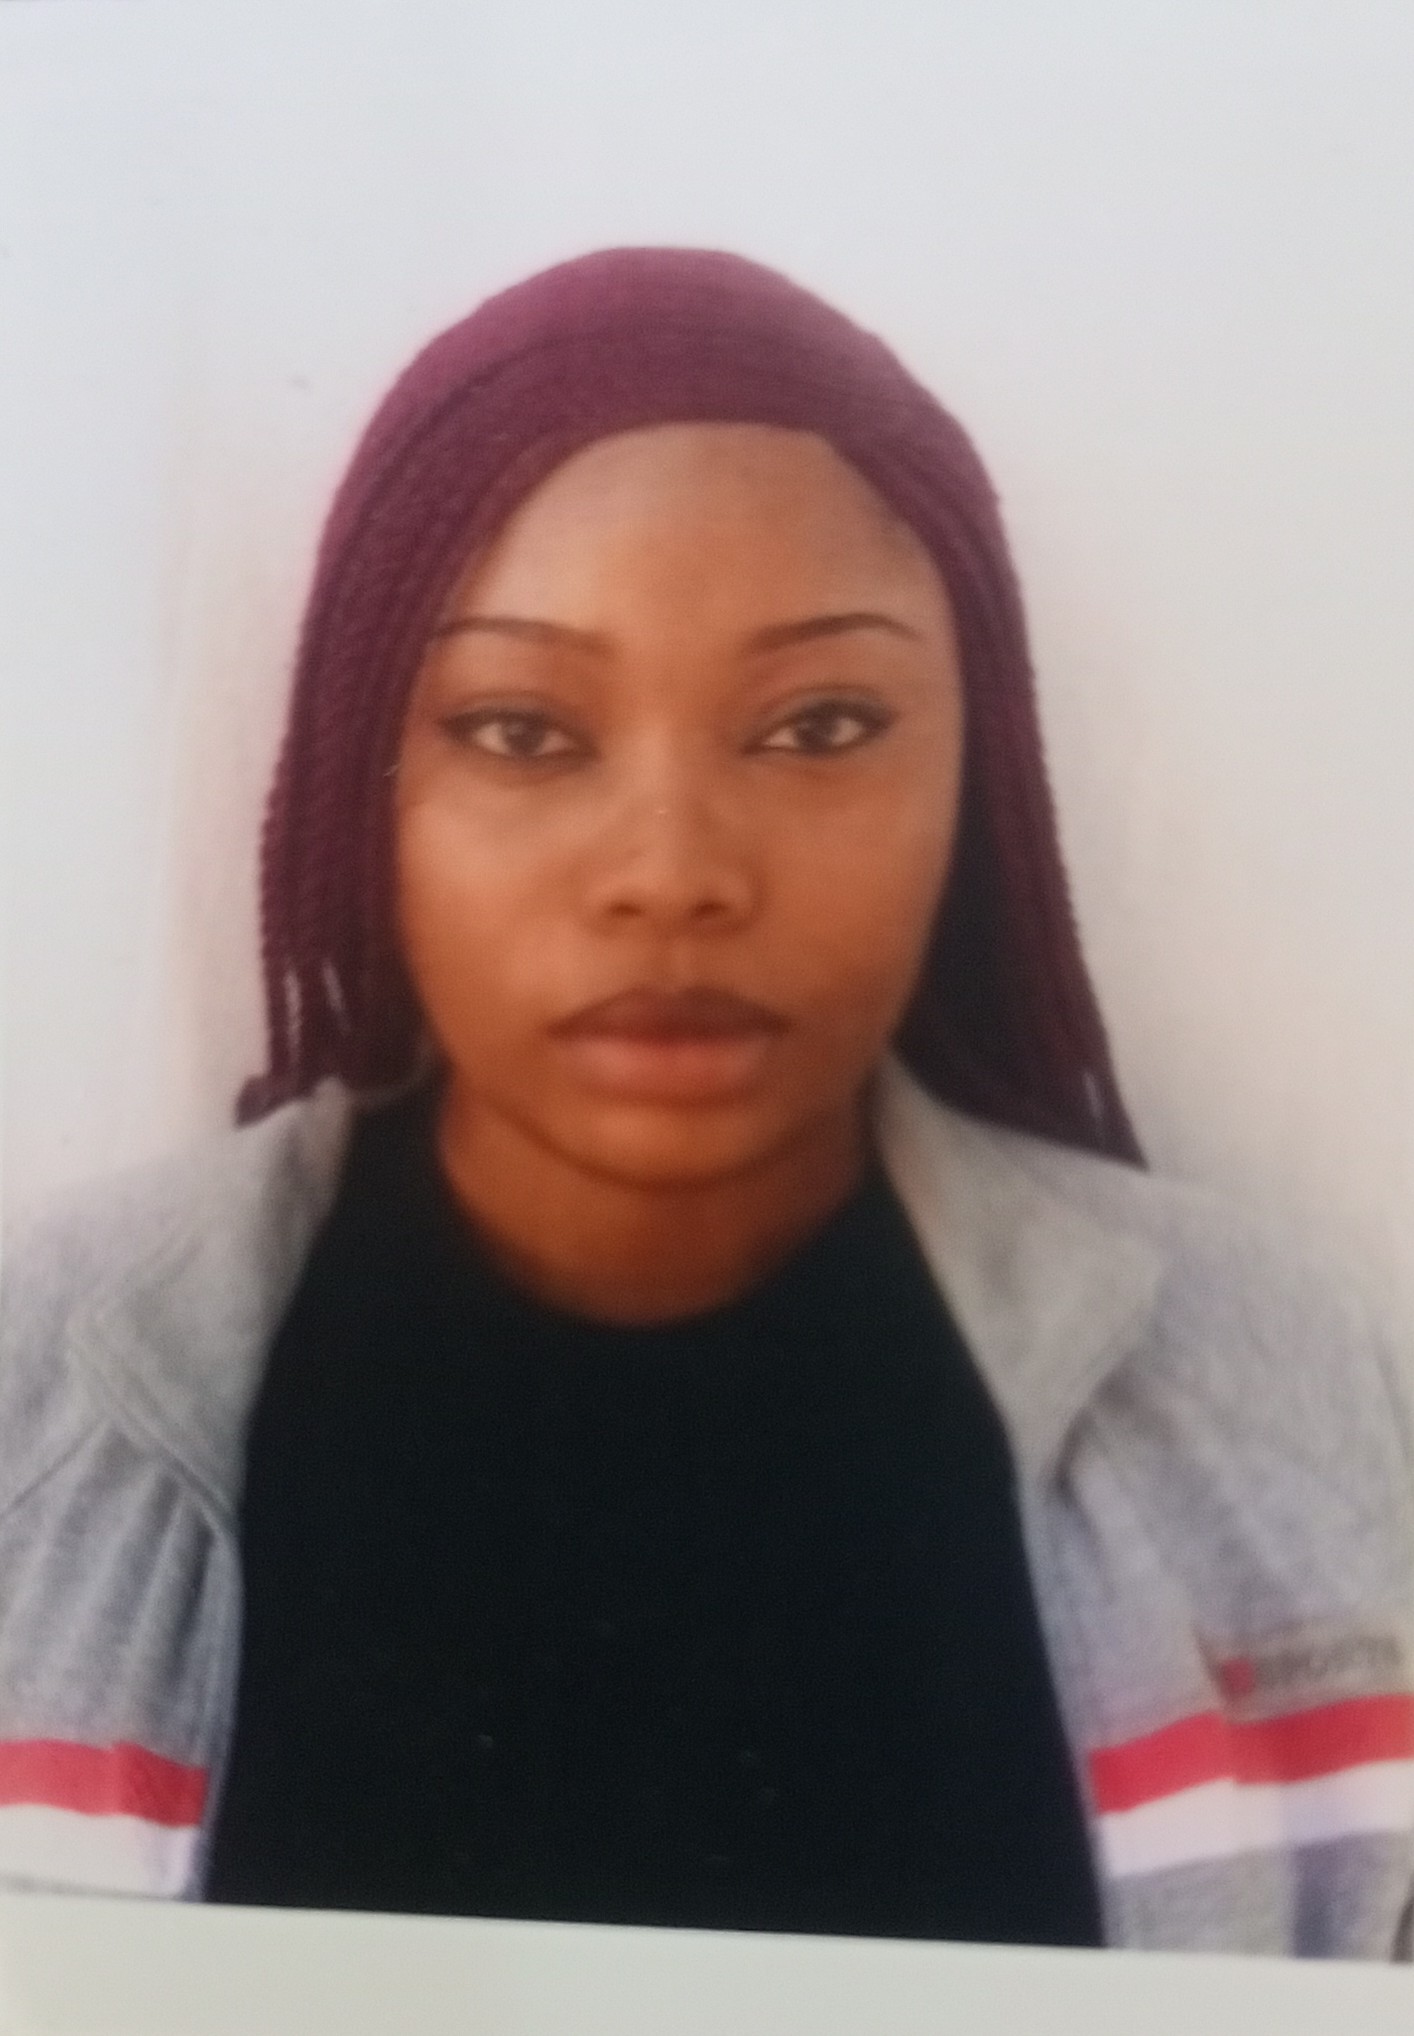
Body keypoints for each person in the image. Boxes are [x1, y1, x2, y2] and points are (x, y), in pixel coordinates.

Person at [1, 248, 1411, 1957]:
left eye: (819, 726)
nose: (671, 872)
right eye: (521, 730)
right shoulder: (38, 1389)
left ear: (977, 776)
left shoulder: (1284, 1386)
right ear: (363, 785)